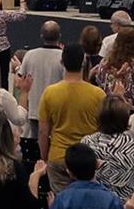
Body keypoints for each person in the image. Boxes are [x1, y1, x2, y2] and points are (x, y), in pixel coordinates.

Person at [38, 43, 104, 195]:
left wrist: (45, 158)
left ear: (62, 62)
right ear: (83, 62)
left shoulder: (50, 93)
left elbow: (43, 132)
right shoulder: (98, 94)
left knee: (60, 205)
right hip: (88, 159)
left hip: (58, 156)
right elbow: (102, 129)